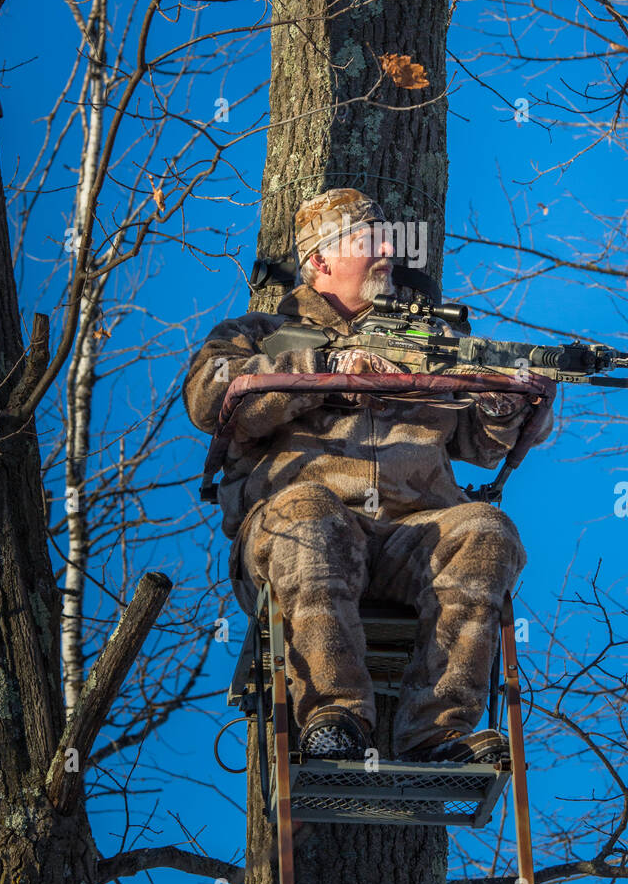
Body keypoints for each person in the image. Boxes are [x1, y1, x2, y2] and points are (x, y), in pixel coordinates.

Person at [183, 189, 555, 763]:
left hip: (413, 538)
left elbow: (478, 447)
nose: (388, 252)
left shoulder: (428, 341)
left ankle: (439, 736)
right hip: (300, 534)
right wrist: (325, 368)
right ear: (318, 262)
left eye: (388, 239)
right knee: (309, 513)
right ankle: (334, 721)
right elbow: (211, 396)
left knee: (485, 528)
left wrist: (503, 405)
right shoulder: (256, 332)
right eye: (367, 240)